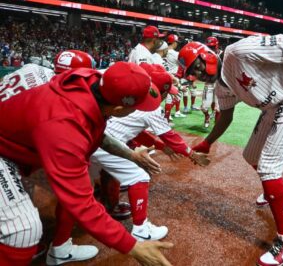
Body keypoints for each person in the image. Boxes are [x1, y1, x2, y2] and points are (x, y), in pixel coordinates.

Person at [178, 35, 283, 266]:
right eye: (192, 73)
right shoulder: (221, 85)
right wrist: (208, 142)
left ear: (206, 55)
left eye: (196, 66)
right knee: (250, 155)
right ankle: (277, 190)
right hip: (275, 106)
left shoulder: (237, 51)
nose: (197, 74)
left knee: (269, 169)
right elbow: (226, 116)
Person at [0, 61, 173, 266]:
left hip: (23, 142)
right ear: (118, 109)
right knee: (24, 230)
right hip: (7, 153)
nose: (139, 110)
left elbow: (95, 134)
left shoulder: (92, 82)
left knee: (84, 186)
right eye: (136, 107)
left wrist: (131, 155)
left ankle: (60, 249)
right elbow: (80, 202)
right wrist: (132, 246)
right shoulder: (64, 125)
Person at [91, 63, 209, 242]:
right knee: (139, 176)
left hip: (92, 137)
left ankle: (64, 242)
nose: (165, 97)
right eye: (166, 93)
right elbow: (170, 136)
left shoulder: (130, 94)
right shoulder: (152, 107)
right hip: (106, 143)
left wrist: (161, 147)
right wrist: (192, 154)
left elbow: (137, 130)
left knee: (89, 185)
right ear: (159, 92)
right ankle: (140, 229)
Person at [201, 36, 222, 128]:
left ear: (217, 45)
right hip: (209, 83)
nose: (211, 48)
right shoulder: (203, 55)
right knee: (204, 107)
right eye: (209, 46)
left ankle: (216, 127)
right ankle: (207, 116)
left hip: (219, 83)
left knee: (218, 107)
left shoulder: (222, 54)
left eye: (213, 46)